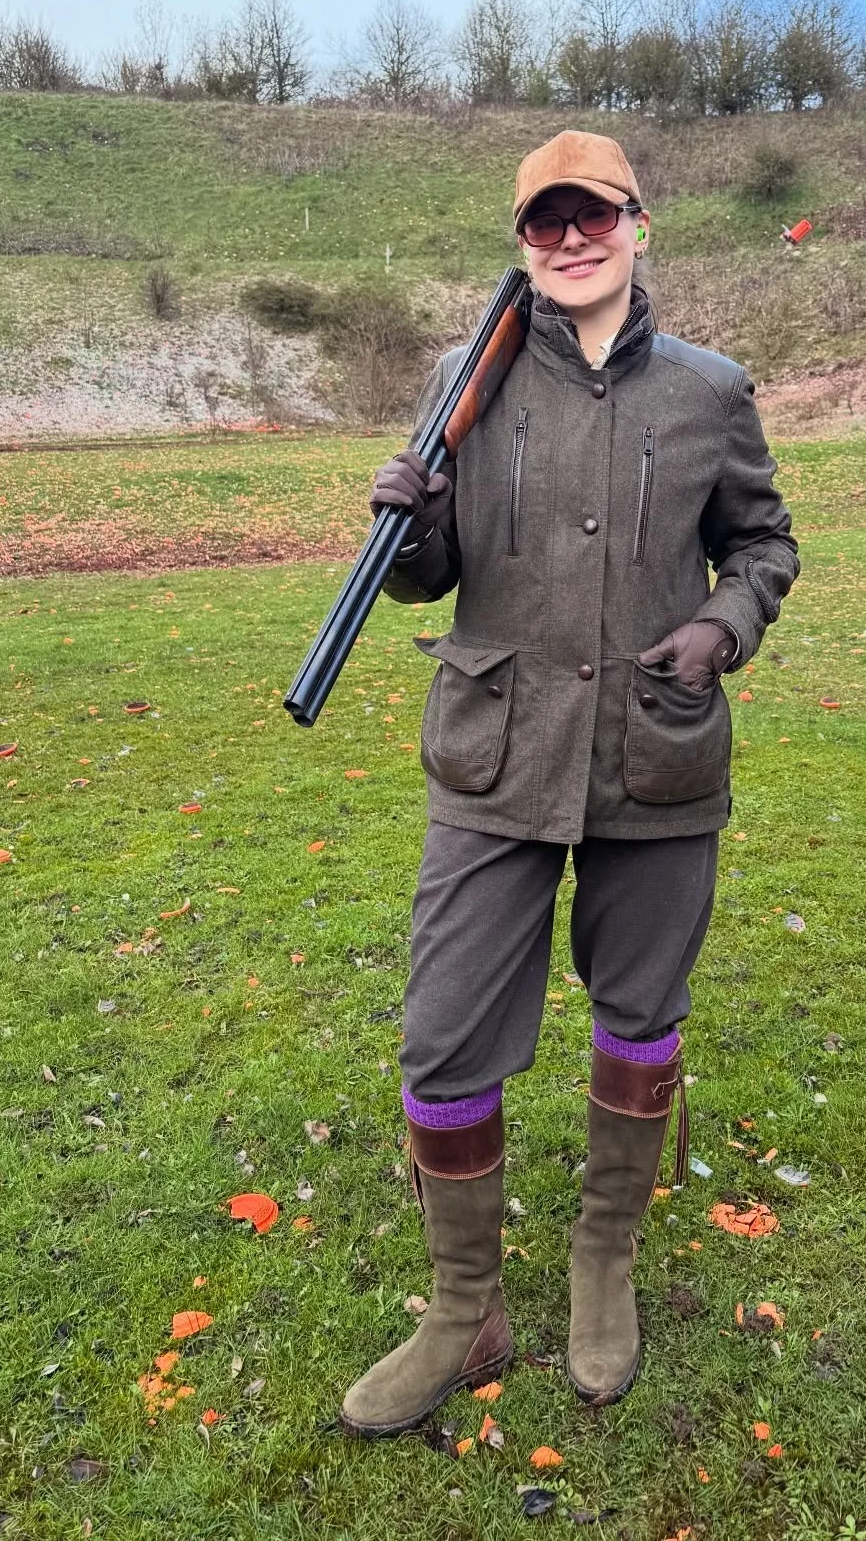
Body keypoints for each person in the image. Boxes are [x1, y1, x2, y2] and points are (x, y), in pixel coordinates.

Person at [339, 130, 800, 1437]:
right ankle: (461, 1309)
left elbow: (762, 543)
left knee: (641, 1009)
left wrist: (725, 627)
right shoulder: (461, 380)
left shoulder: (710, 391)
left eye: (592, 214)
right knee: (441, 1041)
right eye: (544, 223)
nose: (570, 239)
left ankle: (605, 1262)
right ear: (522, 243)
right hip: (495, 753)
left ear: (639, 224)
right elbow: (427, 580)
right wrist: (412, 524)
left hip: (657, 748)